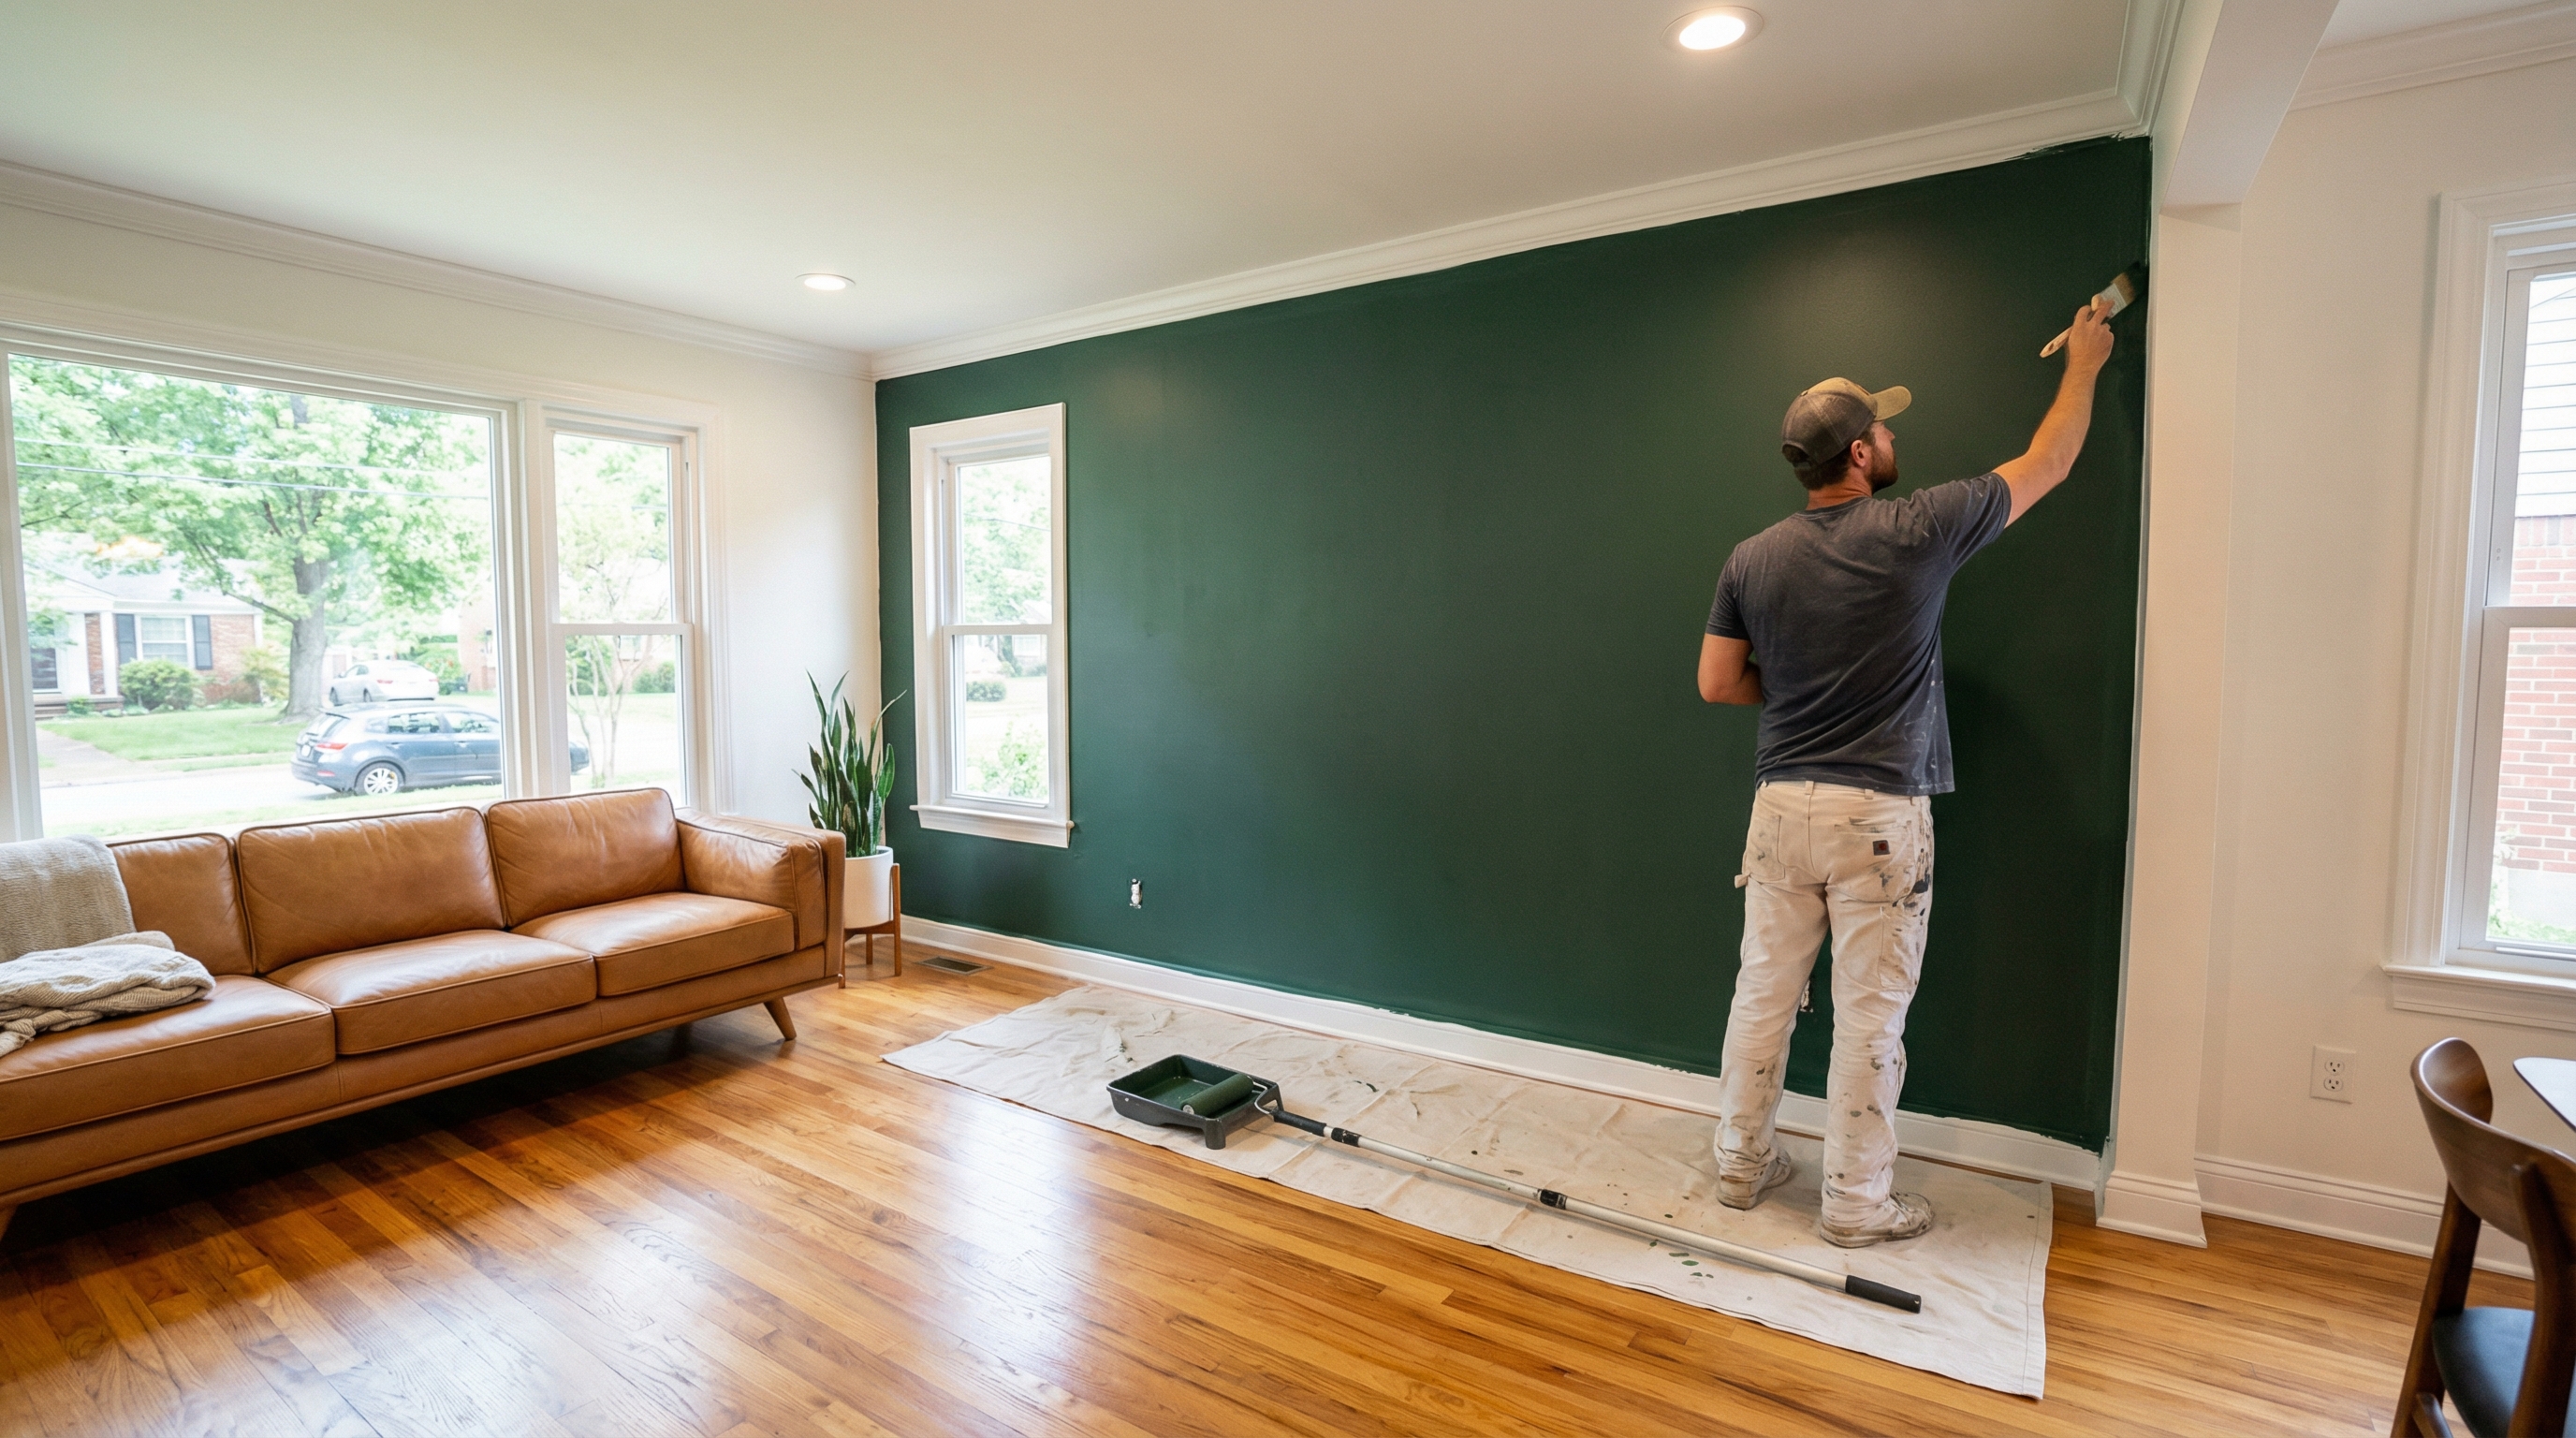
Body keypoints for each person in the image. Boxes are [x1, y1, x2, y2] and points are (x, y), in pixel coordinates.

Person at [1695, 299, 2115, 1247]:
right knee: (1867, 1018)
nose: (1891, 439)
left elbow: (1717, 682)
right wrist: (2084, 364)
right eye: (1881, 430)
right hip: (1877, 815)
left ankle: (1740, 1166)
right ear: (1857, 455)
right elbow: (2048, 461)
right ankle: (1854, 1206)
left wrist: (1800, 686)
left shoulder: (1750, 558)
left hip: (1779, 807)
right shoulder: (1919, 526)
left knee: (1762, 996)